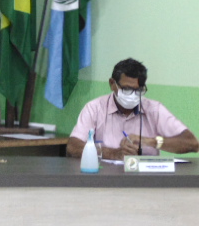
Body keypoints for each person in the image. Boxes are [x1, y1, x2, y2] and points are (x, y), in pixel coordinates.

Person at [67, 58, 198, 160]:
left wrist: (151, 142)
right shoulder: (94, 108)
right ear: (112, 84)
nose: (133, 95)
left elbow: (192, 143)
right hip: (104, 178)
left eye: (138, 90)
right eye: (127, 89)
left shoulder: (154, 110)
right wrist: (112, 153)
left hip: (146, 180)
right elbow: (73, 146)